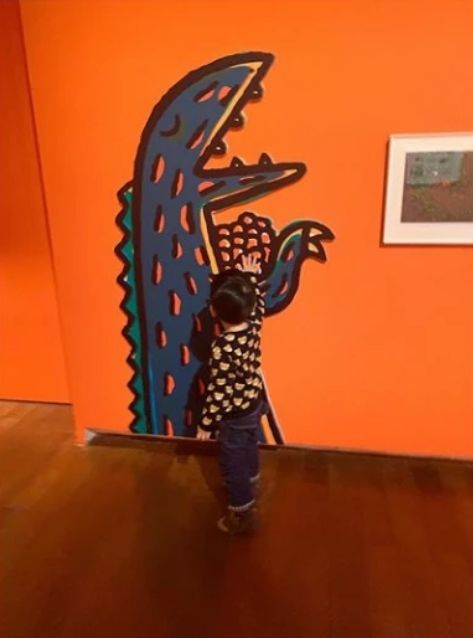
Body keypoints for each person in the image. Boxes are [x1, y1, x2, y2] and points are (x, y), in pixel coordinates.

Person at [196, 254, 266, 535]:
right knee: (250, 444)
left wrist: (206, 423)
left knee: (232, 460)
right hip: (254, 403)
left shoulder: (222, 347)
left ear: (216, 311)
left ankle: (241, 510)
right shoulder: (253, 326)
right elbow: (258, 306)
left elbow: (219, 391)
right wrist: (251, 278)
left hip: (234, 414)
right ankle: (252, 479)